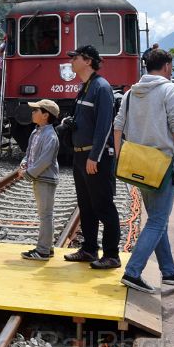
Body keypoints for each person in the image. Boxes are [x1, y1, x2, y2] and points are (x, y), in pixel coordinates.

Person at [113, 48, 174, 292]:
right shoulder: (172, 90)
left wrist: (120, 156)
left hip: (138, 162)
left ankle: (168, 271)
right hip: (162, 164)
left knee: (158, 219)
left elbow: (118, 127)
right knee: (157, 220)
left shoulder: (131, 93)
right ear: (166, 66)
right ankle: (133, 272)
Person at [63, 44, 122, 269]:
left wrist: (94, 157)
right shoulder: (85, 87)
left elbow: (105, 125)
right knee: (86, 206)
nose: (71, 61)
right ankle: (89, 249)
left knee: (103, 206)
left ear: (87, 60)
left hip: (94, 157)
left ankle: (111, 255)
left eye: (75, 57)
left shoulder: (101, 87)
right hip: (81, 156)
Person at [18, 99, 61, 260]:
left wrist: (28, 173)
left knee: (45, 215)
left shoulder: (50, 136)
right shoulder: (36, 132)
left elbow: (45, 161)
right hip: (40, 178)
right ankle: (47, 247)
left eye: (36, 110)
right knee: (45, 214)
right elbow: (29, 154)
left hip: (46, 178)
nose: (32, 113)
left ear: (45, 115)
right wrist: (24, 164)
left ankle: (42, 250)